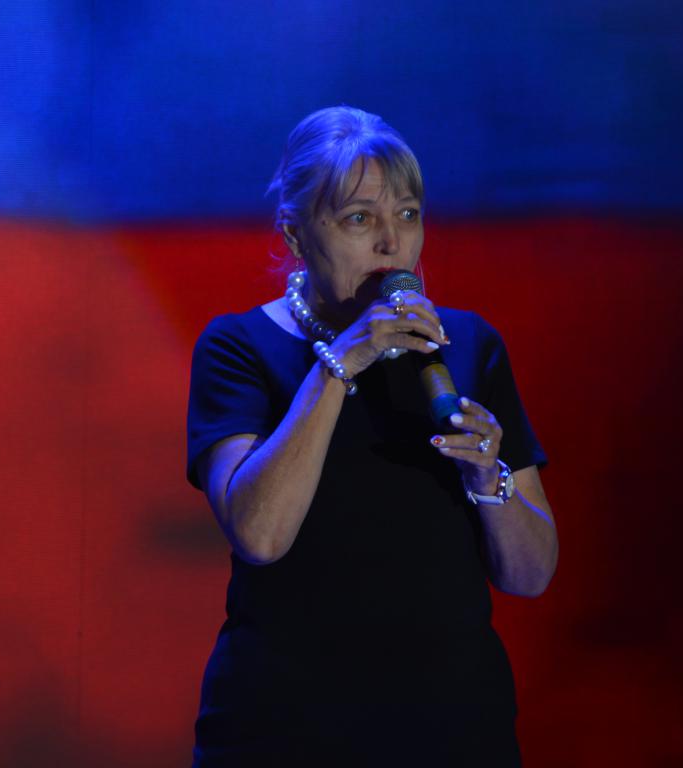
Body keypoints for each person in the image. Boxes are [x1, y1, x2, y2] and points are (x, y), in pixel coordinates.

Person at [186, 106, 558, 766]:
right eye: (360, 219)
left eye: (408, 214)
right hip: (286, 732)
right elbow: (260, 535)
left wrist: (488, 478)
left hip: (451, 730)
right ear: (296, 233)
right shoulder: (239, 347)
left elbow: (531, 576)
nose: (392, 243)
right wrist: (341, 364)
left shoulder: (468, 345)